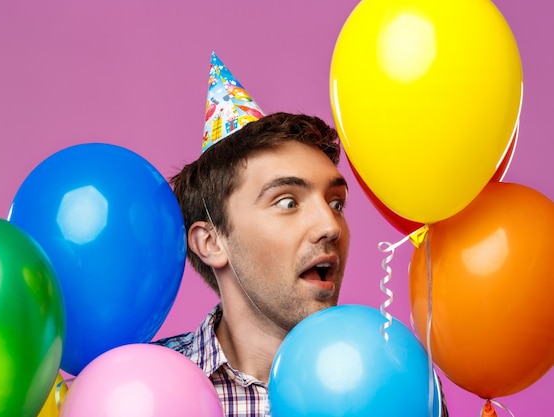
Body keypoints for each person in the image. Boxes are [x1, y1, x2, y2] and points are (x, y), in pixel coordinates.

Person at [154, 52, 448, 417]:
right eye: (288, 202)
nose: (329, 226)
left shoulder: (399, 379)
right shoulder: (144, 389)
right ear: (212, 242)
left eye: (336, 203)